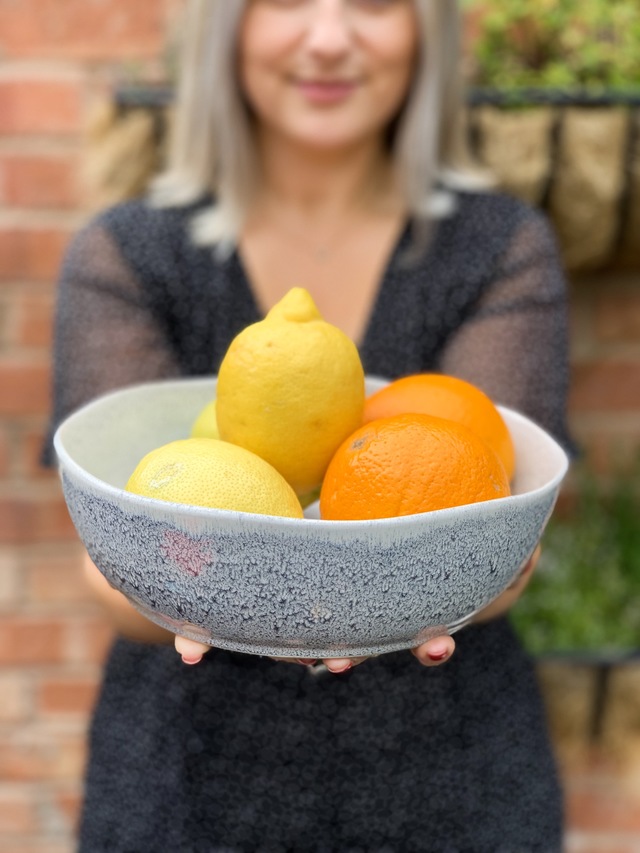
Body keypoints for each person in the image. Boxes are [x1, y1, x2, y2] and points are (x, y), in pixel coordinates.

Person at [44, 1, 574, 849]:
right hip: (186, 781)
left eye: (373, 2)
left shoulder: (500, 247)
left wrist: (473, 575)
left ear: (424, 32)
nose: (329, 38)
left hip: (453, 779)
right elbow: (112, 548)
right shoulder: (131, 254)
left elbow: (496, 504)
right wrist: (201, 595)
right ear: (229, 28)